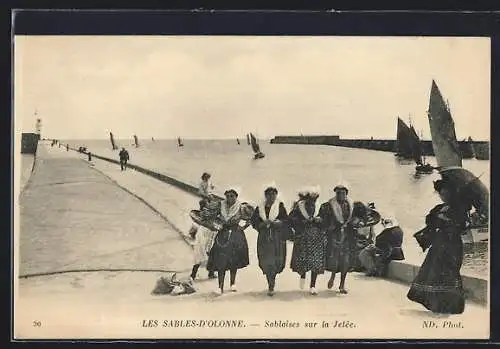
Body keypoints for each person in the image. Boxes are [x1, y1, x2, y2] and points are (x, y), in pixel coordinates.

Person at [407, 178, 469, 314]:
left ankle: (451, 306)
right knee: (434, 273)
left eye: (446, 193)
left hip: (452, 245)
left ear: (452, 193)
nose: (443, 196)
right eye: (441, 193)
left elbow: (462, 226)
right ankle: (437, 305)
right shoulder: (439, 208)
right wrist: (437, 220)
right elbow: (430, 221)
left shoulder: (460, 208)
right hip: (439, 244)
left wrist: (445, 220)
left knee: (450, 273)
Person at [206, 189, 250, 295]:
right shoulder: (220, 205)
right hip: (223, 233)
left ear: (236, 197)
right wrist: (215, 225)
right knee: (221, 260)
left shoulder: (241, 207)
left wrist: (243, 227)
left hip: (236, 234)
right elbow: (211, 216)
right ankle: (220, 286)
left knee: (234, 259)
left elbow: (250, 218)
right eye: (228, 196)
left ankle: (232, 283)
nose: (230, 198)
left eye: (232, 196)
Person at [250, 186, 291, 296]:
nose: (271, 196)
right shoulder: (260, 208)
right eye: (269, 194)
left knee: (276, 261)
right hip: (264, 237)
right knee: (266, 261)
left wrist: (279, 223)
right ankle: (270, 284)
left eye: (273, 194)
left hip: (277, 237)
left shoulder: (280, 206)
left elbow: (286, 220)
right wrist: (261, 224)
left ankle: (272, 282)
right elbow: (254, 221)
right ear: (265, 195)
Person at [318, 184, 356, 294]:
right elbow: (323, 219)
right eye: (338, 193)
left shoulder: (351, 205)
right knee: (334, 259)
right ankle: (333, 276)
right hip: (333, 236)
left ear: (346, 194)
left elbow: (358, 218)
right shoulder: (329, 206)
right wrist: (328, 226)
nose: (341, 195)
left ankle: (342, 284)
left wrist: (356, 223)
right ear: (335, 194)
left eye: (343, 193)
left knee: (345, 261)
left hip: (347, 236)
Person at [289, 187, 326, 295]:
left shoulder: (321, 207)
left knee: (315, 261)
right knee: (303, 260)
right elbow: (291, 219)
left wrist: (320, 220)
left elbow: (326, 219)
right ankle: (303, 275)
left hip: (316, 237)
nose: (312, 202)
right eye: (310, 199)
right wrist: (302, 221)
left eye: (314, 200)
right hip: (303, 236)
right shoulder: (299, 207)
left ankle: (313, 285)